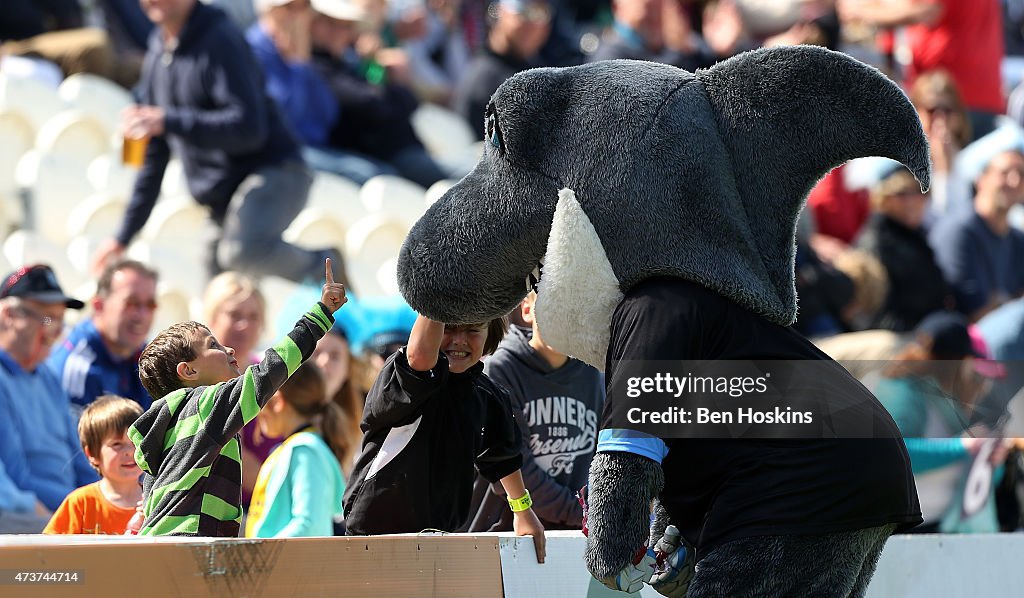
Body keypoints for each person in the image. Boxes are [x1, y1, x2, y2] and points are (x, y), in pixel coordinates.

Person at [91, 0, 343, 285]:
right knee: (215, 295)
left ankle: (325, 267)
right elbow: (154, 156)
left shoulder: (220, 38)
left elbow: (248, 129)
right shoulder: (158, 51)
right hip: (221, 197)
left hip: (275, 171)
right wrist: (122, 237)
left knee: (241, 252)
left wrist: (169, 121)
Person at [129, 259, 346, 537]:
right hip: (192, 543)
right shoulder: (208, 404)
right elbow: (272, 370)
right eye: (213, 345)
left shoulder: (166, 421)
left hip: (160, 541)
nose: (228, 348)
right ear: (189, 370)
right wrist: (321, 314)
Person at [342, 313, 546, 562]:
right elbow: (420, 356)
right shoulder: (406, 376)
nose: (459, 340)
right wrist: (439, 289)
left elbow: (503, 457)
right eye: (448, 328)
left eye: (472, 330)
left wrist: (523, 511)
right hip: (374, 532)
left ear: (489, 333)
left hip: (442, 537)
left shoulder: (489, 396)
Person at [463, 290, 603, 532]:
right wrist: (582, 512)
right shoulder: (500, 368)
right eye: (552, 308)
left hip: (575, 534)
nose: (562, 321)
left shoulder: (593, 372)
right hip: (508, 534)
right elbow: (514, 464)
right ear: (527, 309)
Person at [874, 312, 1019, 533]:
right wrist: (961, 446)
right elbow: (892, 455)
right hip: (895, 534)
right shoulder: (901, 392)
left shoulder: (941, 397)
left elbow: (973, 481)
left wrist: (990, 461)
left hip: (930, 532)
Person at [310, 0, 455, 188]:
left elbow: (408, 103)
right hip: (389, 156)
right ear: (316, 25)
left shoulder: (348, 61)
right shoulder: (320, 66)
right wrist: (391, 84)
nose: (343, 32)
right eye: (335, 24)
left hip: (402, 150)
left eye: (347, 26)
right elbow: (370, 103)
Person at [0, 264, 98, 515]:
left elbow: (80, 461)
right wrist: (79, 511)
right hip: (33, 517)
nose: (54, 331)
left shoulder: (48, 377)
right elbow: (18, 475)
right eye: (47, 318)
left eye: (60, 320)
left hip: (66, 514)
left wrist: (101, 501)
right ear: (8, 315)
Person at [202, 271, 278, 509]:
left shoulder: (270, 374)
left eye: (254, 316)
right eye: (234, 315)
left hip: (264, 511)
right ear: (212, 318)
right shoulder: (198, 379)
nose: (244, 325)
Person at [245, 362, 346, 537]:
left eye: (259, 399)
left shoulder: (305, 450)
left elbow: (310, 526)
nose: (257, 411)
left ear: (277, 401)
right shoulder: (297, 447)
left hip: (286, 564)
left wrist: (262, 560)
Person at [47, 259, 159, 415]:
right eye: (131, 303)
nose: (142, 315)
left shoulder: (144, 357)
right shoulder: (79, 368)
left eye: (150, 305)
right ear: (98, 305)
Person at [929, 142, 1024, 321]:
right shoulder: (959, 232)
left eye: (1021, 173)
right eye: (1005, 173)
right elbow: (975, 313)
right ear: (981, 179)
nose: (1015, 181)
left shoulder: (1018, 239)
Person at [855, 162, 951, 331]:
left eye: (921, 192)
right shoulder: (876, 242)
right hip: (894, 339)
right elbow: (873, 314)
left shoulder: (917, 237)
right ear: (884, 197)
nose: (914, 201)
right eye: (903, 194)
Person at [44, 395, 144, 534]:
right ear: (92, 454)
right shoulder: (80, 503)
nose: (130, 452)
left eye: (136, 442)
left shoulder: (156, 501)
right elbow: (49, 549)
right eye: (117, 444)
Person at [452, 0, 553, 130]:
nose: (535, 24)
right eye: (525, 11)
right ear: (499, 11)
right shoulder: (484, 80)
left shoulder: (536, 68)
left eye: (542, 13)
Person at [311, 322, 365, 477]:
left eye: (335, 356)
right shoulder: (280, 411)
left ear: (348, 369)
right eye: (317, 353)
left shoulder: (358, 428)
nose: (324, 361)